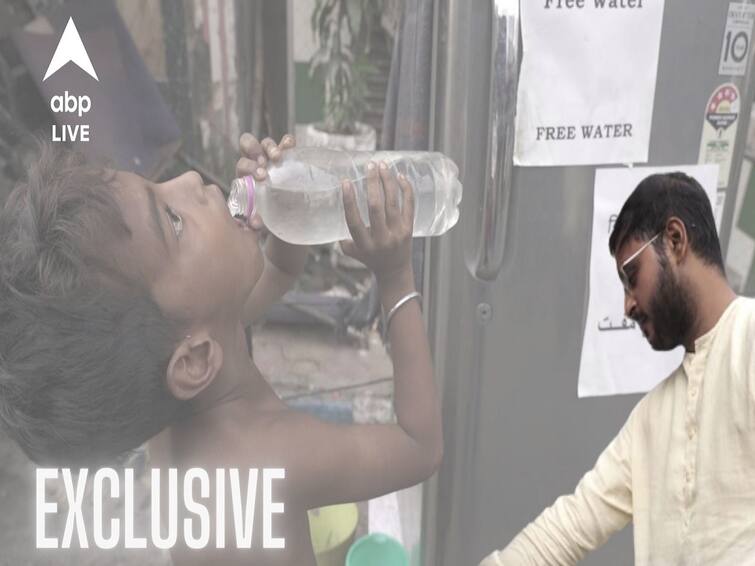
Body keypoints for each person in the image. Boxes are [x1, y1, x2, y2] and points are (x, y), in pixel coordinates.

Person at [0, 134, 443, 565]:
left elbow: (278, 271)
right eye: (174, 221)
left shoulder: (173, 374)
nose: (190, 181)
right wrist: (396, 276)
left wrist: (290, 207)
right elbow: (419, 446)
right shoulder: (272, 458)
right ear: (193, 363)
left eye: (160, 184)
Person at [480, 172, 755, 565]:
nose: (627, 306)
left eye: (631, 277)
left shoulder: (748, 339)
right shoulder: (652, 418)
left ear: (675, 240)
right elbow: (572, 524)